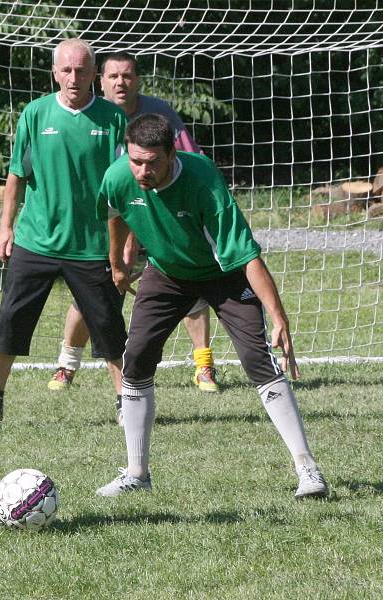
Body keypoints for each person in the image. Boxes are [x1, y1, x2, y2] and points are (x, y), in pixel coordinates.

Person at [94, 113, 328, 499]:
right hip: (167, 271)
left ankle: (308, 469)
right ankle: (137, 473)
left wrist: (278, 316)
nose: (142, 170)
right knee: (135, 357)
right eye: (136, 160)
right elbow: (115, 212)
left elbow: (247, 255)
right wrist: (118, 261)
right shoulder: (119, 175)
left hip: (223, 273)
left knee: (257, 359)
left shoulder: (203, 182)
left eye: (152, 162)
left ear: (172, 153)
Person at [0, 38, 129, 426]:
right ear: (54, 72)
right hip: (35, 240)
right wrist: (5, 227)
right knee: (11, 321)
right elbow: (17, 174)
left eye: (81, 70)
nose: (73, 77)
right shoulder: (35, 114)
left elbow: (124, 187)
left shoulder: (113, 119)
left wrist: (126, 244)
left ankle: (126, 402)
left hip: (91, 245)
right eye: (66, 70)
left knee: (108, 327)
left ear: (93, 74)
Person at [48, 52, 218, 396]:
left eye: (127, 76)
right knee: (92, 295)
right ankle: (67, 365)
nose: (120, 83)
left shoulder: (160, 114)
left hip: (163, 219)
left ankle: (204, 367)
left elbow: (189, 160)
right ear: (101, 81)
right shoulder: (91, 115)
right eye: (112, 77)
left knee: (191, 288)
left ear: (137, 80)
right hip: (109, 221)